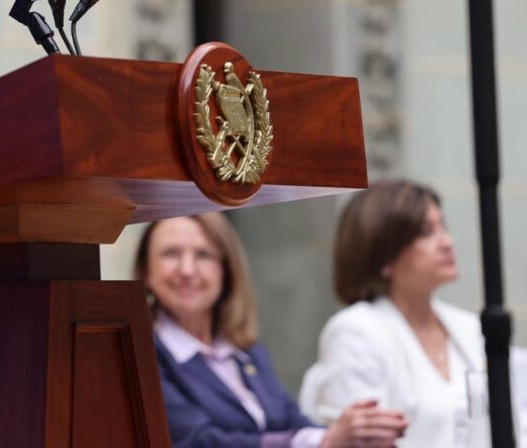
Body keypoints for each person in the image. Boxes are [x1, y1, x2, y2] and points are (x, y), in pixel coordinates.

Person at [135, 213, 408, 448]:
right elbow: (197, 441)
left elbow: (291, 419)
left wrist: (352, 433)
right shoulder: (140, 353)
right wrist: (324, 441)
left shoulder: (246, 351)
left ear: (226, 269)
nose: (187, 270)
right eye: (171, 253)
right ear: (146, 270)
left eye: (203, 255)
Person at [300, 180, 486, 448]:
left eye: (443, 226)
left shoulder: (469, 327)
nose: (447, 242)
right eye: (426, 232)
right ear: (383, 253)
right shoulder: (355, 333)